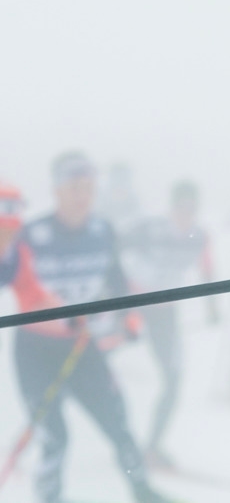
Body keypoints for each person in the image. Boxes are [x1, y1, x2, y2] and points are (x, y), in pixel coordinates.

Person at [7, 151, 172, 503]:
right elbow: (13, 281)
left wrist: (127, 316)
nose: (82, 196)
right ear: (57, 190)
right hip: (36, 351)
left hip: (81, 345)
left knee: (117, 421)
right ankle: (50, 498)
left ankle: (142, 490)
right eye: (74, 188)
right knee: (55, 436)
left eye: (89, 188)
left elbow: (115, 278)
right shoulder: (32, 235)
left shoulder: (101, 231)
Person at [120, 178, 217, 469]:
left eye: (192, 208)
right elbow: (113, 251)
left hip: (164, 313)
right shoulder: (149, 228)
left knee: (173, 379)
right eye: (181, 207)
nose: (186, 214)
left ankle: (151, 448)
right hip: (129, 306)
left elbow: (207, 268)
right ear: (172, 207)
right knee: (87, 364)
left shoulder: (198, 236)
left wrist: (213, 307)